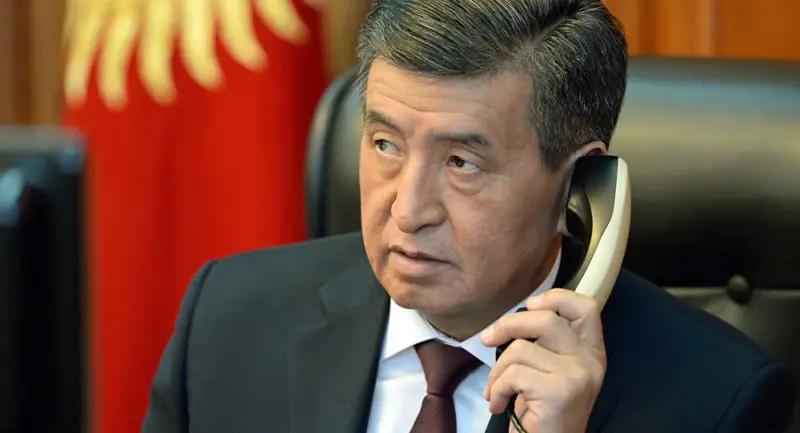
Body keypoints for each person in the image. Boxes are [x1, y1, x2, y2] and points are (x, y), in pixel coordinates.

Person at [141, 1, 795, 432]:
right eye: (385, 144)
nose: (408, 210)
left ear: (576, 181)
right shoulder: (229, 321)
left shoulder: (720, 402)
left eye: (461, 163)